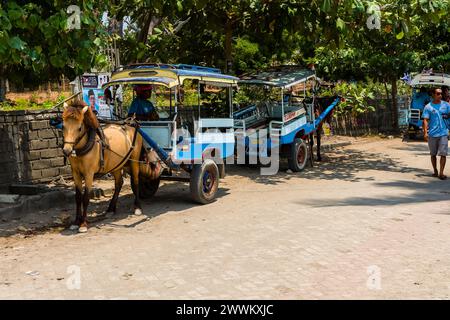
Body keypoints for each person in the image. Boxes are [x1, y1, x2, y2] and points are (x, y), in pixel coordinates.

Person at [422, 87, 450, 180]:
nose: (440, 95)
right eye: (438, 94)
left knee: (443, 154)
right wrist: (425, 132)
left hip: (443, 133)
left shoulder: (446, 105)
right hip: (432, 134)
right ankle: (435, 170)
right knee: (433, 154)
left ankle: (441, 173)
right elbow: (425, 120)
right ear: (433, 95)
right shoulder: (428, 107)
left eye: (441, 93)